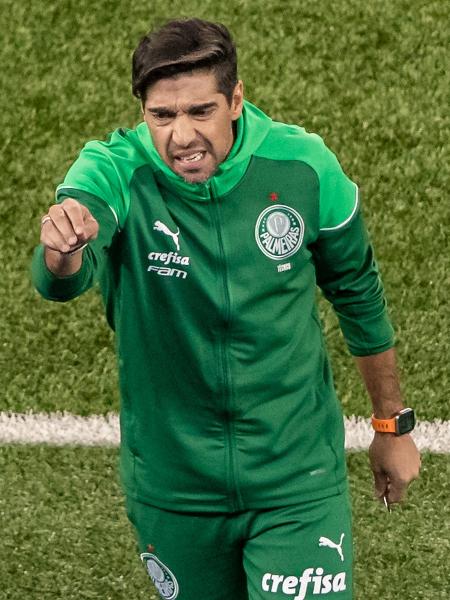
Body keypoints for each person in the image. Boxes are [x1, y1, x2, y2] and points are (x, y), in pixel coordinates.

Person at [31, 17, 420, 600]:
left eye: (199, 111)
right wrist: (63, 249)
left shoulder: (304, 167)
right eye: (162, 116)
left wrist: (391, 426)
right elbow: (60, 278)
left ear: (236, 100)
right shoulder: (113, 169)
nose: (181, 135)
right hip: (174, 487)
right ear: (143, 112)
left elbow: (357, 290)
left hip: (296, 478)